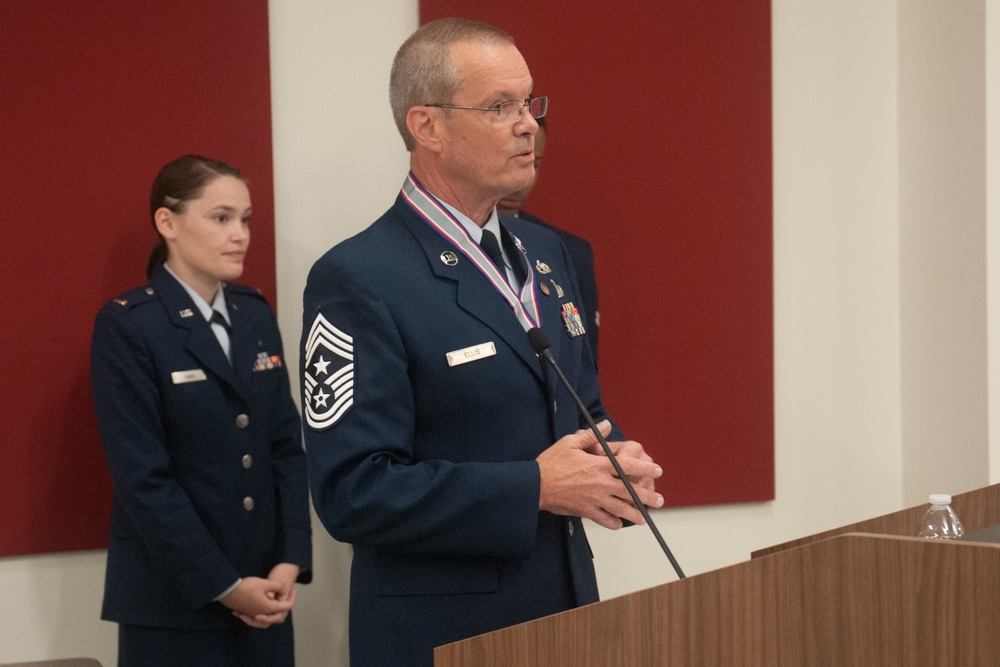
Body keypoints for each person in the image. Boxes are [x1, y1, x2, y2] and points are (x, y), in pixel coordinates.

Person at [301, 18, 663, 667]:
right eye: (500, 107)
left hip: (567, 617)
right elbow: (352, 492)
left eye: (528, 103)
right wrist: (535, 486)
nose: (527, 123)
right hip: (446, 635)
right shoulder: (359, 278)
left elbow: (577, 406)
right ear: (427, 126)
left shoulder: (549, 252)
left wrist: (611, 459)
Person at [90, 155, 312, 666]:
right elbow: (143, 479)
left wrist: (290, 558)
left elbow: (284, 444)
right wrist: (225, 585)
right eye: (221, 218)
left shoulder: (253, 313)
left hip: (265, 594)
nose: (241, 234)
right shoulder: (130, 326)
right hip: (175, 603)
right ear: (168, 222)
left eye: (246, 218)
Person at [497, 117, 602, 363]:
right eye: (511, 162)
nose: (519, 182)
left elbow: (584, 366)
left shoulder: (570, 252)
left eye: (533, 163)